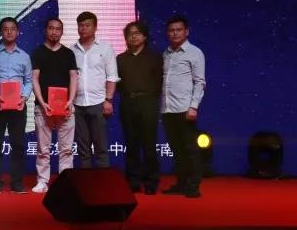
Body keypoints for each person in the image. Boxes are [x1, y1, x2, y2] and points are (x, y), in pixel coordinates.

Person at [31, 18, 78, 193]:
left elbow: (73, 78)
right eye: (51, 28)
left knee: (66, 149)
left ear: (62, 32)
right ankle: (42, 181)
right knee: (43, 149)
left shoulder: (68, 53)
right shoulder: (38, 53)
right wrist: (42, 102)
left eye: (58, 29)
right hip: (43, 108)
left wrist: (70, 101)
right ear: (46, 30)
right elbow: (34, 78)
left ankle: (65, 183)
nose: (54, 32)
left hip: (65, 108)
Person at [161, 15, 206, 198]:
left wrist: (193, 107)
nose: (175, 33)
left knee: (190, 149)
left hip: (185, 109)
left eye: (179, 30)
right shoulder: (166, 54)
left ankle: (193, 185)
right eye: (171, 30)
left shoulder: (195, 53)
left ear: (186, 31)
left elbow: (200, 82)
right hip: (167, 109)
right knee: (176, 149)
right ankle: (181, 183)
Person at [116, 20, 163, 194]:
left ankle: (151, 181)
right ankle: (133, 181)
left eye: (137, 33)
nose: (133, 36)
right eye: (130, 34)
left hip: (148, 102)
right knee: (131, 144)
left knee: (149, 145)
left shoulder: (155, 57)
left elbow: (159, 82)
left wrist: (149, 97)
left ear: (144, 36)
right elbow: (117, 84)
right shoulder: (120, 59)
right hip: (128, 102)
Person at [0, 17, 33, 194]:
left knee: (18, 144)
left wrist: (24, 97)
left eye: (12, 29)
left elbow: (28, 81)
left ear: (18, 32)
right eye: (5, 29)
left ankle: (17, 183)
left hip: (18, 105)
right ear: (0, 32)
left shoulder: (24, 56)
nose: (9, 32)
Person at [71, 11, 119, 169]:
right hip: (77, 105)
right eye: (81, 25)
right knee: (83, 149)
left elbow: (112, 76)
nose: (83, 28)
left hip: (99, 103)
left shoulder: (105, 48)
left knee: (101, 148)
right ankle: (87, 182)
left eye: (87, 25)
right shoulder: (72, 50)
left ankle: (103, 181)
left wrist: (108, 100)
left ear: (95, 27)